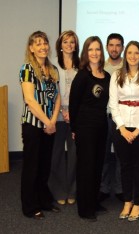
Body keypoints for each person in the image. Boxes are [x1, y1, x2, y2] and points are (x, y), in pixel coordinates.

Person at [109, 41, 139, 221]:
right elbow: (113, 104)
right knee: (125, 166)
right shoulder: (116, 75)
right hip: (120, 127)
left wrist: (137, 130)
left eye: (136, 53)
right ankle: (127, 201)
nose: (132, 56)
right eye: (129, 52)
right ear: (125, 54)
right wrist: (122, 128)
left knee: (138, 165)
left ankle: (138, 203)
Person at [19, 31, 61, 220]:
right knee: (32, 167)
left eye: (45, 43)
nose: (43, 46)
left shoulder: (52, 69)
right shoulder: (27, 68)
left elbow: (58, 96)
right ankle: (29, 206)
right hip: (33, 124)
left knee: (45, 166)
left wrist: (52, 121)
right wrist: (47, 121)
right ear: (31, 48)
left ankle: (44, 200)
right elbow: (29, 99)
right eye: (38, 44)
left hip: (49, 124)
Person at [69, 36, 110, 222]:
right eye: (91, 49)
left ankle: (93, 202)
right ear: (86, 53)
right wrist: (74, 129)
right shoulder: (82, 75)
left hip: (101, 127)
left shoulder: (107, 76)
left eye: (98, 49)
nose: (95, 53)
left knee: (97, 165)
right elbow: (73, 104)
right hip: (85, 128)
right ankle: (85, 209)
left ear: (102, 52)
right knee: (86, 167)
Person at [48, 30, 80, 206]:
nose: (69, 45)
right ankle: (59, 190)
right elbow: (51, 93)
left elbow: (82, 93)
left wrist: (72, 114)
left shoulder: (82, 65)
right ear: (60, 45)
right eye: (66, 42)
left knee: (75, 155)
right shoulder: (52, 65)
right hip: (56, 116)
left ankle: (72, 190)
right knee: (57, 154)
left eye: (72, 42)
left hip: (76, 117)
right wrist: (61, 112)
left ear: (76, 45)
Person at [99, 33, 124, 202]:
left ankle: (120, 188)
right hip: (104, 117)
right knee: (104, 154)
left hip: (123, 119)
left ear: (122, 47)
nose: (114, 48)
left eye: (118, 45)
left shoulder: (128, 66)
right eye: (111, 45)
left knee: (122, 155)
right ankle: (103, 187)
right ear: (107, 47)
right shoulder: (100, 67)